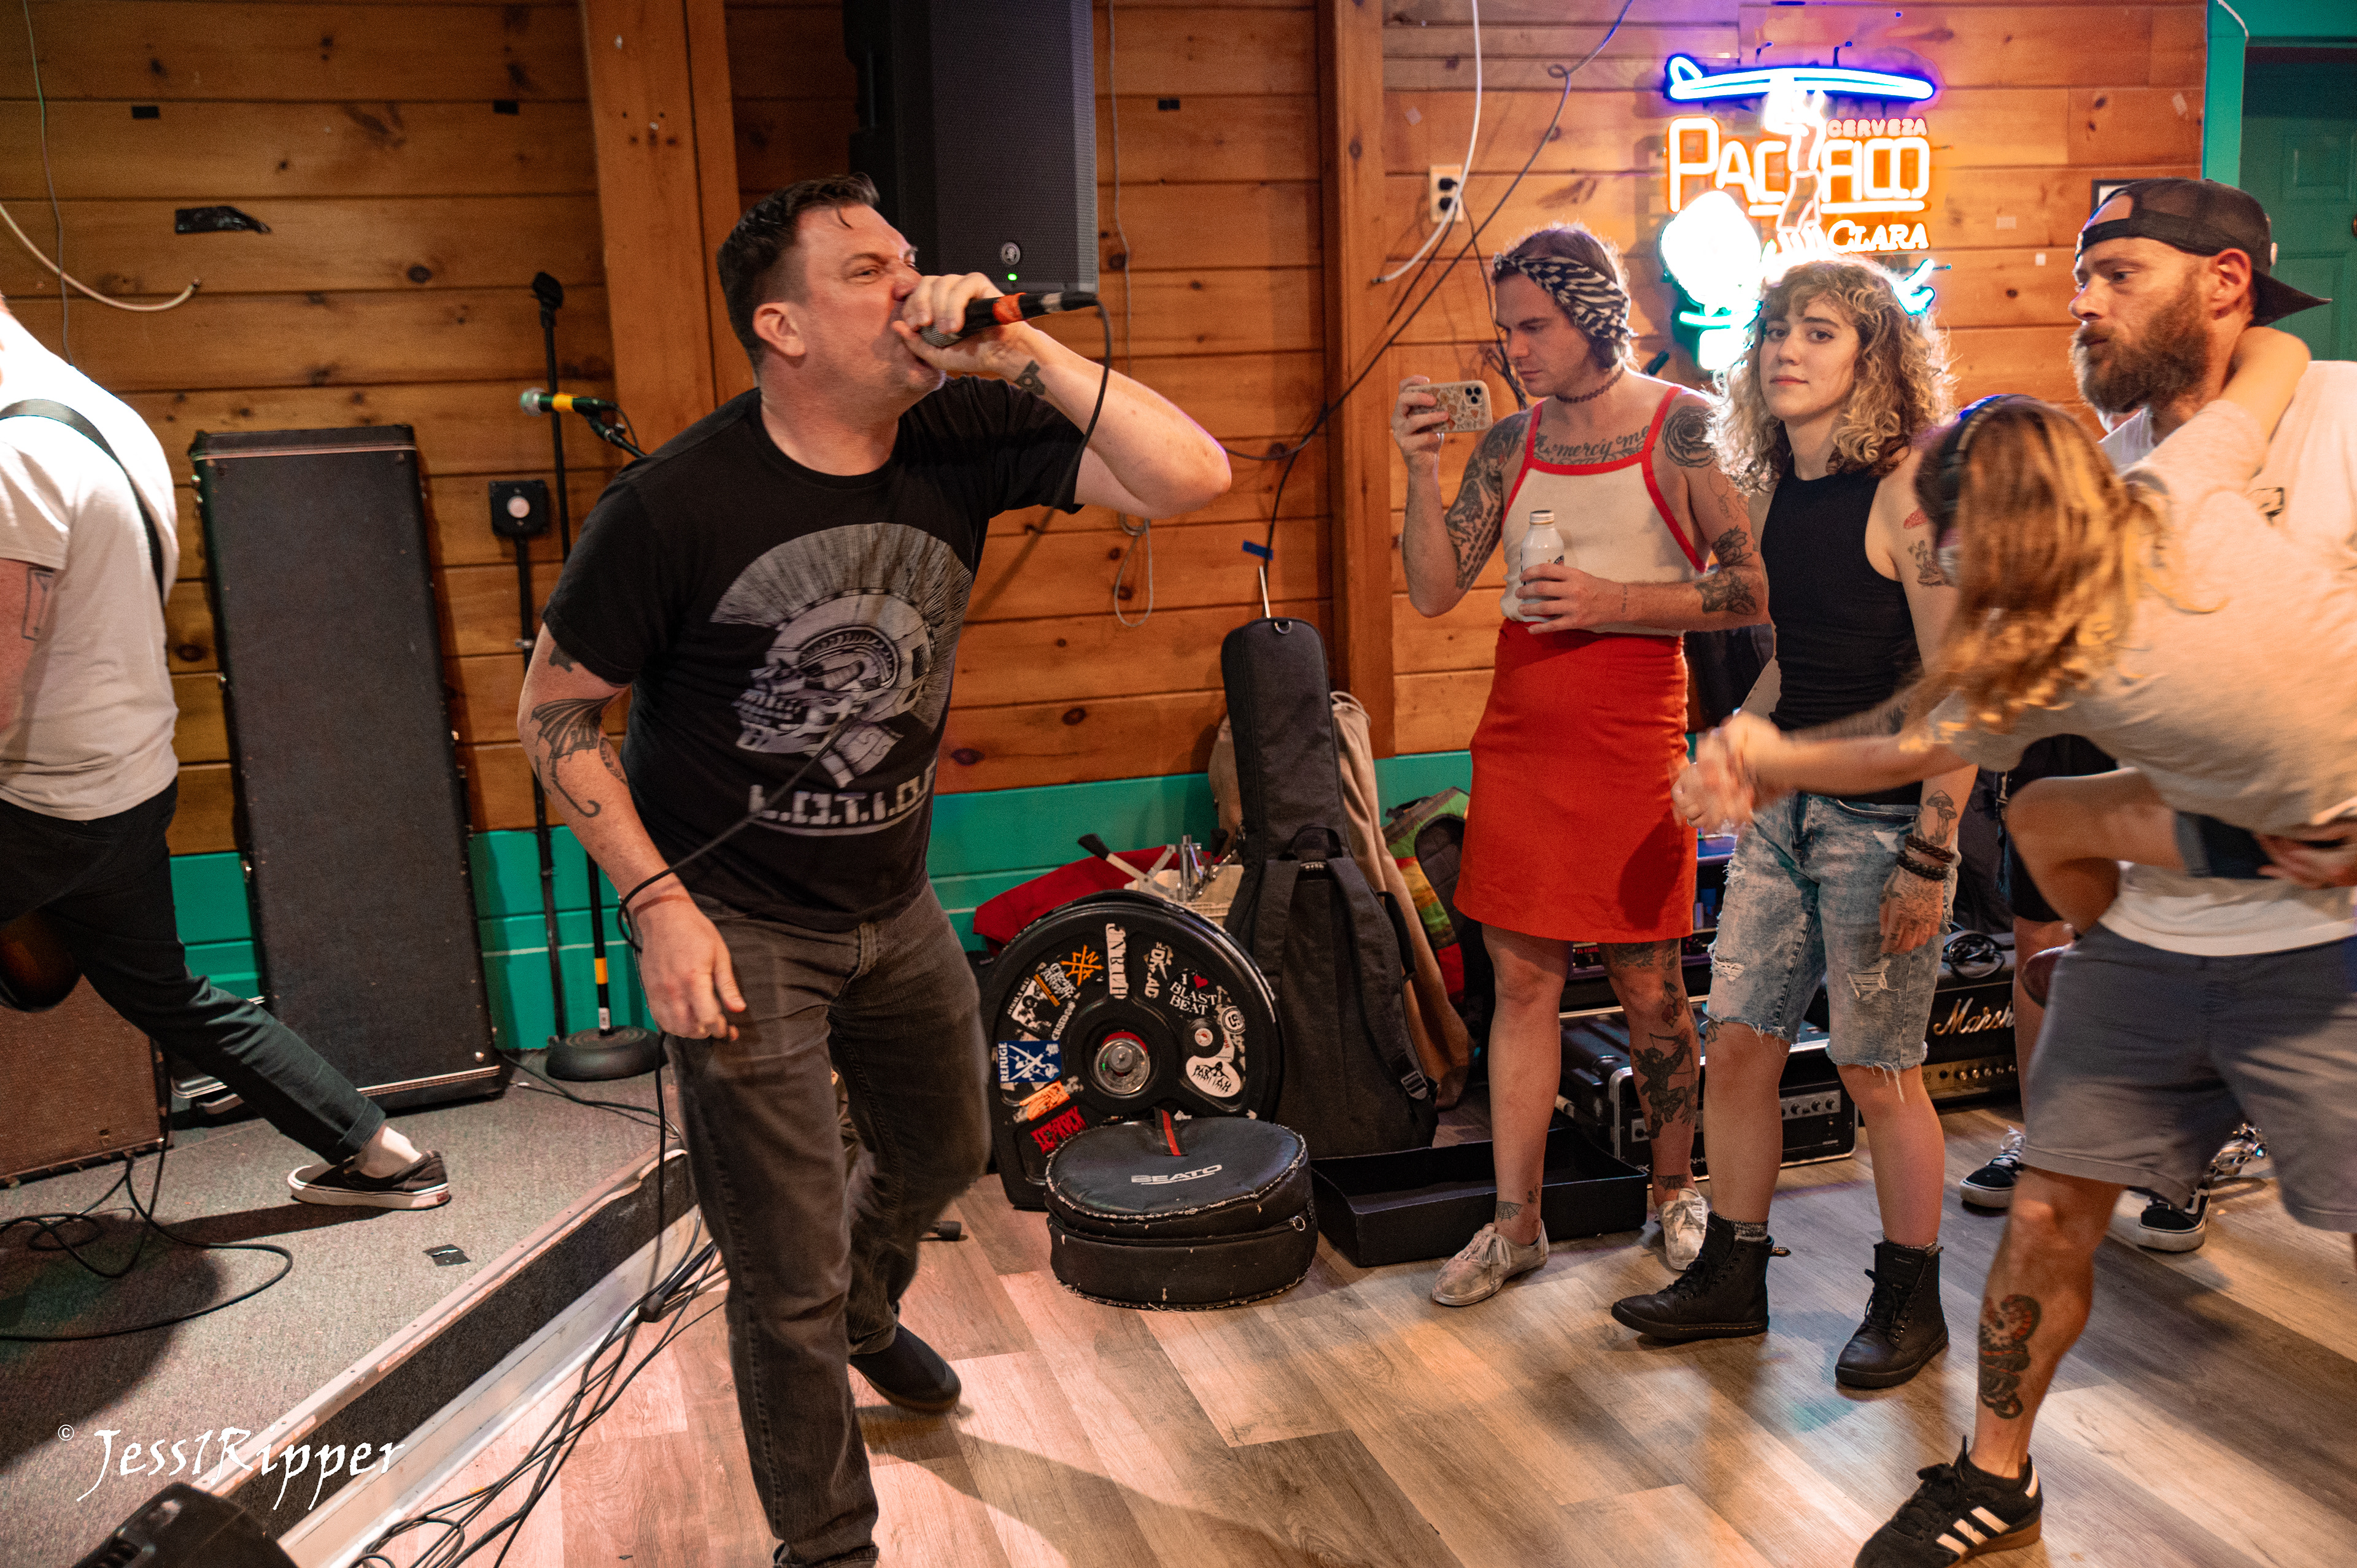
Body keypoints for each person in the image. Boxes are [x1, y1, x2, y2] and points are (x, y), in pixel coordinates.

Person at [517, 175, 1228, 1568]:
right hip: (734, 920)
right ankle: (830, 1545)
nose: (912, 288)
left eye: (911, 260)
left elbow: (1190, 478)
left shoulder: (963, 428)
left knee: (950, 1148)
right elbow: (552, 714)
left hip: (893, 904)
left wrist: (1024, 349)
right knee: (780, 1275)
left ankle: (866, 1309)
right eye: (866, 273)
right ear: (780, 326)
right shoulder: (673, 507)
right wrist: (656, 906)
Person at [1678, 312, 2353, 1566]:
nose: (1943, 556)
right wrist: (1773, 756)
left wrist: (1775, 757)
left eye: (1952, 532)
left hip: (2334, 920)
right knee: (2045, 1196)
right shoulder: (2072, 611)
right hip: (2191, 898)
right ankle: (1997, 1479)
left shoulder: (2150, 535)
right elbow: (1913, 740)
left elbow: (1910, 744)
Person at [1608, 260, 1971, 1391]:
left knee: (1878, 1070)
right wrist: (1733, 749)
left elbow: (1962, 693)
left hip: (1889, 825)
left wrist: (1931, 853)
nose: (1786, 351)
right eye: (1775, 330)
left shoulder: (1910, 494)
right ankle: (1733, 1275)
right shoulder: (1772, 493)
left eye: (1819, 332)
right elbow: (1794, 667)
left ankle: (1910, 1302)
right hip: (1785, 820)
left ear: (1875, 357)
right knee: (1740, 1047)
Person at [0, 295, 447, 1210]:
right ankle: (382, 1155)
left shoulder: (16, 455)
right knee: (168, 995)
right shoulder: (98, 412)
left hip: (41, 804)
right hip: (125, 782)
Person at [1390, 222, 1768, 1300]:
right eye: (1505, 329)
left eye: (1534, 327)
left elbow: (1751, 590)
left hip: (1632, 733)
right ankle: (1516, 1223)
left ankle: (1674, 1190)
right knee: (1520, 982)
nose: (1514, 348)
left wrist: (1615, 601)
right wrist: (1422, 470)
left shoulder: (1681, 425)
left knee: (1651, 985)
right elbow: (1433, 591)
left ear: (1594, 317)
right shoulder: (1510, 443)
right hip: (1522, 733)